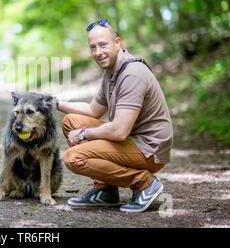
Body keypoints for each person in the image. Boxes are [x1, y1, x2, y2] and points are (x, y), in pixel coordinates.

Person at [57, 19, 173, 213]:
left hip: (149, 148)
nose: (98, 52)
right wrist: (54, 103)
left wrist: (83, 134)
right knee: (71, 121)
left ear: (117, 43)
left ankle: (144, 183)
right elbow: (94, 110)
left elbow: (119, 131)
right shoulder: (112, 72)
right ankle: (105, 191)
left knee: (73, 157)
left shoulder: (132, 73)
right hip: (131, 140)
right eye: (93, 47)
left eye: (103, 45)